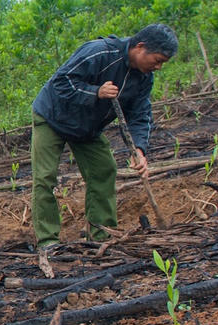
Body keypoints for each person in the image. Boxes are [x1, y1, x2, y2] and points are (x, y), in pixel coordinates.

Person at [29, 23, 178, 277]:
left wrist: (139, 150)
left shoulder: (144, 78)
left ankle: (101, 236)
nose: (158, 67)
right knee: (45, 178)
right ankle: (48, 241)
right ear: (140, 47)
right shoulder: (99, 53)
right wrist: (95, 92)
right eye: (158, 60)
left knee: (104, 170)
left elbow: (140, 114)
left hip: (87, 128)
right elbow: (61, 83)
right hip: (53, 117)